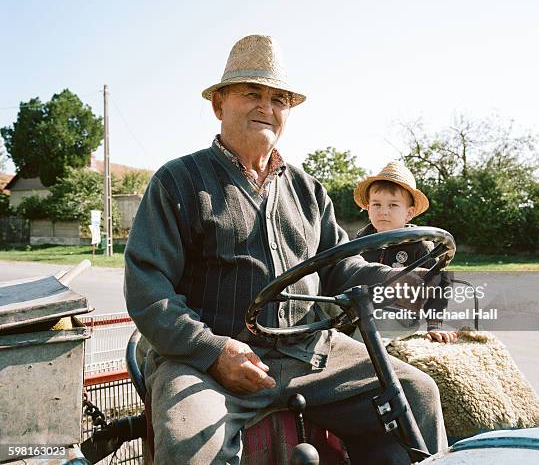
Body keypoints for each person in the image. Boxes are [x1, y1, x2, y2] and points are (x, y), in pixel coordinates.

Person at [124, 34, 447, 465]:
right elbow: (149, 290)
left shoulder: (307, 190)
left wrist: (397, 282)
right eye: (251, 93)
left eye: (278, 99)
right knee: (190, 448)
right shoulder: (178, 182)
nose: (266, 106)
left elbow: (341, 266)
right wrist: (212, 350)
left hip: (310, 356)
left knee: (416, 394)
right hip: (205, 365)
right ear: (219, 105)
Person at [353, 161, 458, 343]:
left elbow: (439, 284)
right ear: (368, 209)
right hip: (358, 310)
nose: (383, 211)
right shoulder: (359, 242)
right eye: (376, 204)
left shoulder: (420, 246)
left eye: (393, 205)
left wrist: (434, 324)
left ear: (409, 213)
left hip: (398, 315)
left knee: (364, 337)